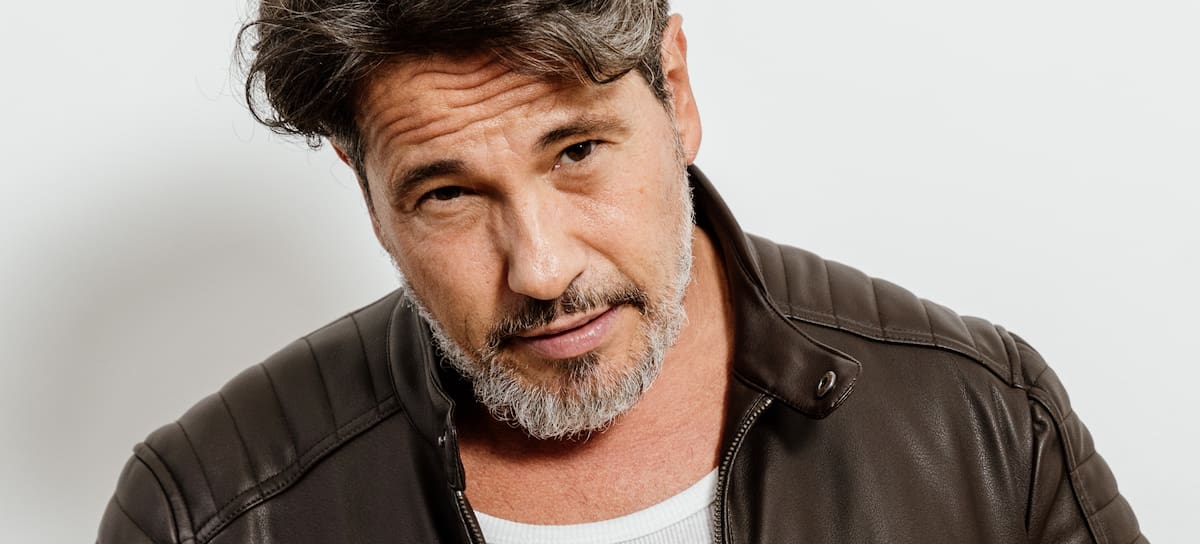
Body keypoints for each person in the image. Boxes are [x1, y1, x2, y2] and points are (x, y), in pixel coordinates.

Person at [97, 1, 1145, 542]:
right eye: (448, 194)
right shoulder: (208, 513)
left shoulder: (982, 422)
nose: (542, 268)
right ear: (366, 190)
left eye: (578, 151)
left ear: (675, 94)